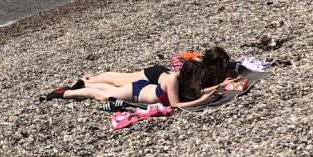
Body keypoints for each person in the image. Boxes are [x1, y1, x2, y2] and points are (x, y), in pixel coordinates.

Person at [51, 58, 222, 110]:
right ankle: (65, 93)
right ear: (190, 75)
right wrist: (203, 100)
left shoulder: (185, 81)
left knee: (111, 88)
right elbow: (177, 104)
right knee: (102, 95)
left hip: (143, 88)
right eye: (197, 77)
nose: (199, 81)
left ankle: (86, 84)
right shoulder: (173, 80)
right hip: (136, 91)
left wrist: (216, 89)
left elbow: (196, 91)